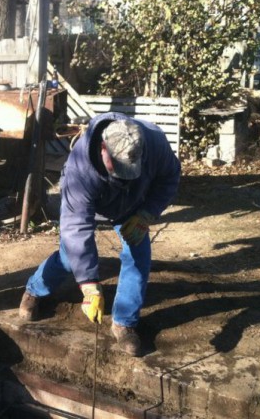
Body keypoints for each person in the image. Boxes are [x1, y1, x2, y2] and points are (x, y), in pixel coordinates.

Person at [18, 113, 181, 356]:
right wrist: (89, 285)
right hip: (94, 201)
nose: (123, 175)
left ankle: (125, 323)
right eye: (118, 167)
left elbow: (170, 177)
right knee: (68, 257)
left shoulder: (154, 142)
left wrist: (147, 214)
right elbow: (75, 228)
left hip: (133, 207)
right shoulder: (79, 170)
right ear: (103, 148)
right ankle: (34, 290)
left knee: (139, 254)